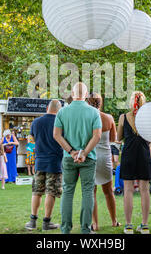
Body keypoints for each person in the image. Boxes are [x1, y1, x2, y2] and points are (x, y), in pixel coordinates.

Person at [53, 82, 102, 234]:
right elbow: (97, 136)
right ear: (86, 95)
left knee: (67, 191)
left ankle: (65, 229)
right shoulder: (94, 112)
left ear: (72, 94)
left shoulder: (62, 112)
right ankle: (85, 229)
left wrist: (72, 151)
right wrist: (84, 153)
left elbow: (56, 135)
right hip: (88, 158)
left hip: (69, 158)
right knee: (87, 192)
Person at [118, 91, 151, 234]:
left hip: (128, 154)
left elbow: (119, 136)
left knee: (128, 190)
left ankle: (128, 225)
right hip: (144, 154)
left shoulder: (123, 117)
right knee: (145, 190)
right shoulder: (148, 118)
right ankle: (144, 225)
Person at [25, 100, 63, 231]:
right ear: (59, 110)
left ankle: (32, 221)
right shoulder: (60, 122)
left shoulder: (36, 122)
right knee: (50, 192)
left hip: (39, 161)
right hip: (55, 161)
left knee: (37, 192)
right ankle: (46, 222)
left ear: (47, 108)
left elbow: (31, 141)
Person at [87, 93, 120, 231]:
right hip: (105, 157)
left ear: (87, 103)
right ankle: (114, 220)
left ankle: (95, 223)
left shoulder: (85, 119)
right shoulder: (109, 118)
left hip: (90, 156)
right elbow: (113, 139)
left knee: (91, 192)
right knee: (108, 192)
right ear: (100, 103)